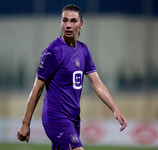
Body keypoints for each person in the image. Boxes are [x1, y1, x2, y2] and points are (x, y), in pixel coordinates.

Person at [17, 4, 127, 150]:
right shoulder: (53, 51)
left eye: (73, 21)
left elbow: (97, 83)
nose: (68, 25)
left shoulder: (84, 50)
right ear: (60, 23)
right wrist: (25, 123)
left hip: (73, 119)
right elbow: (37, 89)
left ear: (81, 24)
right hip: (56, 117)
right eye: (65, 20)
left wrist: (115, 109)